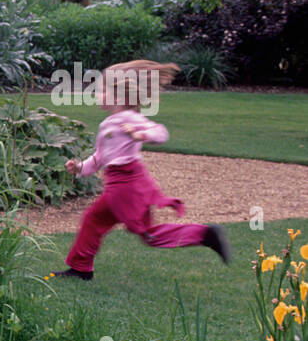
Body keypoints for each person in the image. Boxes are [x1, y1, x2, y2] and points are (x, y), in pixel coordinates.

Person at [50, 59, 230, 281]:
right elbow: (100, 158)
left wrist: (141, 135)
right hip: (118, 184)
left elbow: (160, 133)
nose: (97, 95)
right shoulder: (110, 123)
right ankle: (80, 268)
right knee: (93, 219)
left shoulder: (130, 118)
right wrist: (79, 167)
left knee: (148, 235)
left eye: (101, 91)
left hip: (127, 184)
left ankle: (205, 234)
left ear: (119, 96)